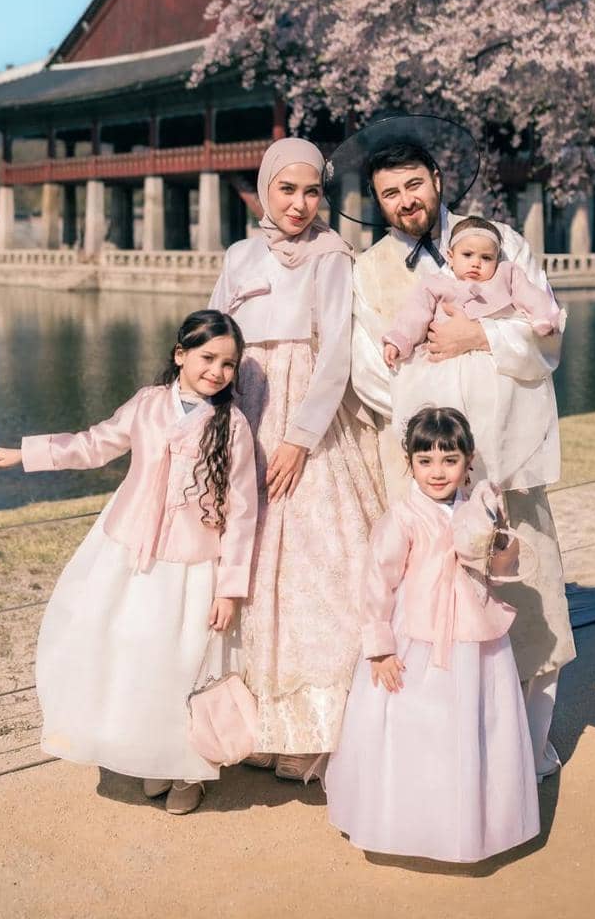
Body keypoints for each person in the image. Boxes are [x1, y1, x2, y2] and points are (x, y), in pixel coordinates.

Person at [344, 132, 575, 782]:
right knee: (436, 609)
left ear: (438, 180)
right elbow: (371, 371)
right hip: (430, 465)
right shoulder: (373, 268)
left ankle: (526, 751)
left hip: (505, 449)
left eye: (413, 183)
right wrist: (438, 450)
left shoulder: (501, 241)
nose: (404, 199)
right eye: (390, 192)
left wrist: (479, 335)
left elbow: (549, 328)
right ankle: (445, 756)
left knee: (527, 597)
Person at [0, 310, 258, 815]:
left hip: (192, 565)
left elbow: (243, 510)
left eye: (228, 364)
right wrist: (26, 453)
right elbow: (93, 444)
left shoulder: (233, 424)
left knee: (180, 664)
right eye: (207, 358)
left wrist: (230, 588)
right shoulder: (148, 405)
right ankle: (148, 757)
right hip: (131, 555)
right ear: (180, 355)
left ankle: (185, 770)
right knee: (135, 656)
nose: (217, 371)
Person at [209, 137, 383, 780]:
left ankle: (316, 731)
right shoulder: (239, 255)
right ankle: (253, 721)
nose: (301, 204)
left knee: (318, 558)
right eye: (288, 189)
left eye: (313, 192)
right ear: (264, 189)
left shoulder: (332, 254)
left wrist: (300, 437)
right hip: (246, 399)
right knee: (247, 557)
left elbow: (336, 346)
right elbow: (212, 327)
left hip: (306, 406)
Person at [326, 407, 540, 863]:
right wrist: (381, 648)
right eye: (425, 461)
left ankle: (469, 820)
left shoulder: (479, 511)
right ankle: (407, 819)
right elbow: (376, 585)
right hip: (417, 636)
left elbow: (498, 570)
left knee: (472, 722)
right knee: (416, 724)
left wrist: (500, 551)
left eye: (449, 460)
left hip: (474, 634)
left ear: (468, 461)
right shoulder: (402, 517)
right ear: (410, 463)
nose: (437, 471)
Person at [382, 214, 565, 489]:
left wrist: (544, 318)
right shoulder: (435, 284)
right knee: (448, 417)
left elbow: (532, 297)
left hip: (492, 369)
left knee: (499, 420)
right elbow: (414, 315)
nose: (476, 263)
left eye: (486, 258)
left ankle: (503, 472)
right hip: (445, 368)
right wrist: (399, 340)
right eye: (468, 255)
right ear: (451, 255)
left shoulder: (508, 276)